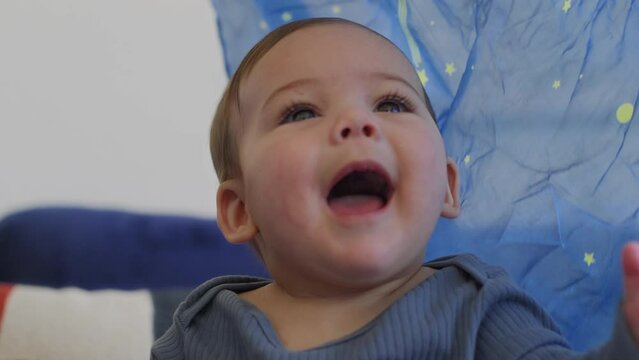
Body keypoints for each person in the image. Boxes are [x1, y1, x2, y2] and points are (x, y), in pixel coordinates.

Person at [151, 18, 639, 359]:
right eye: (301, 112)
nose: (356, 122)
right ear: (240, 209)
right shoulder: (204, 328)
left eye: (391, 103)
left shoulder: (476, 311)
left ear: (447, 187)